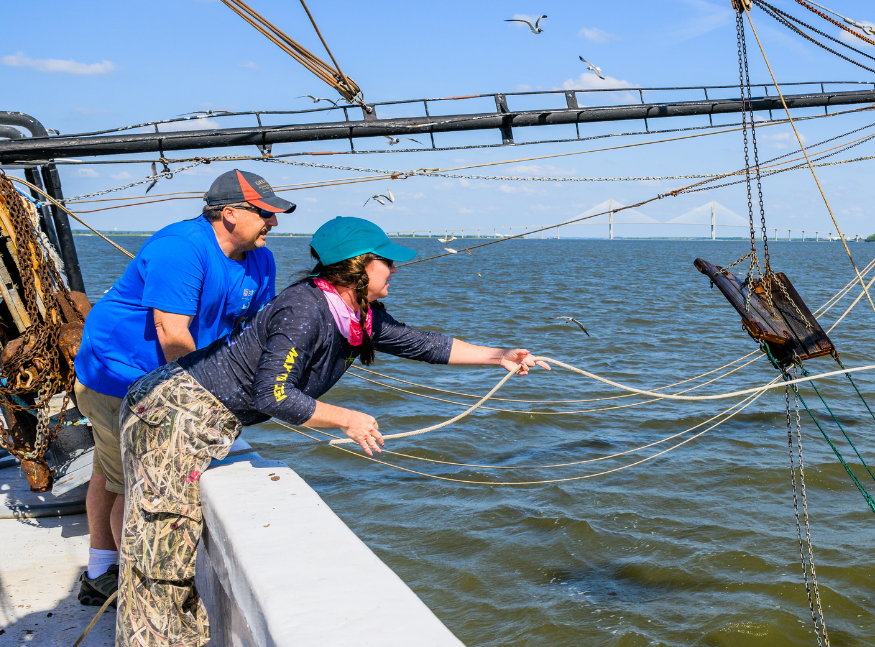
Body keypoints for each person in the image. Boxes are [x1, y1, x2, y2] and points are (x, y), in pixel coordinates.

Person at [113, 216, 546, 646]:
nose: (395, 269)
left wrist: (500, 356)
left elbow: (422, 343)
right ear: (359, 266)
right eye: (387, 262)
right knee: (160, 558)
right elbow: (275, 395)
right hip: (173, 415)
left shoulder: (353, 313)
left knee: (172, 553)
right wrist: (347, 419)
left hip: (199, 418)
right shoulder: (305, 310)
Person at [72, 169, 295, 607]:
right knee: (135, 482)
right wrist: (203, 398)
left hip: (169, 375)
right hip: (119, 376)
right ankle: (135, 592)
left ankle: (99, 571)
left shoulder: (260, 258)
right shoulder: (180, 248)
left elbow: (251, 332)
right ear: (230, 214)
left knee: (110, 471)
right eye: (266, 213)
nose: (274, 223)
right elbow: (173, 334)